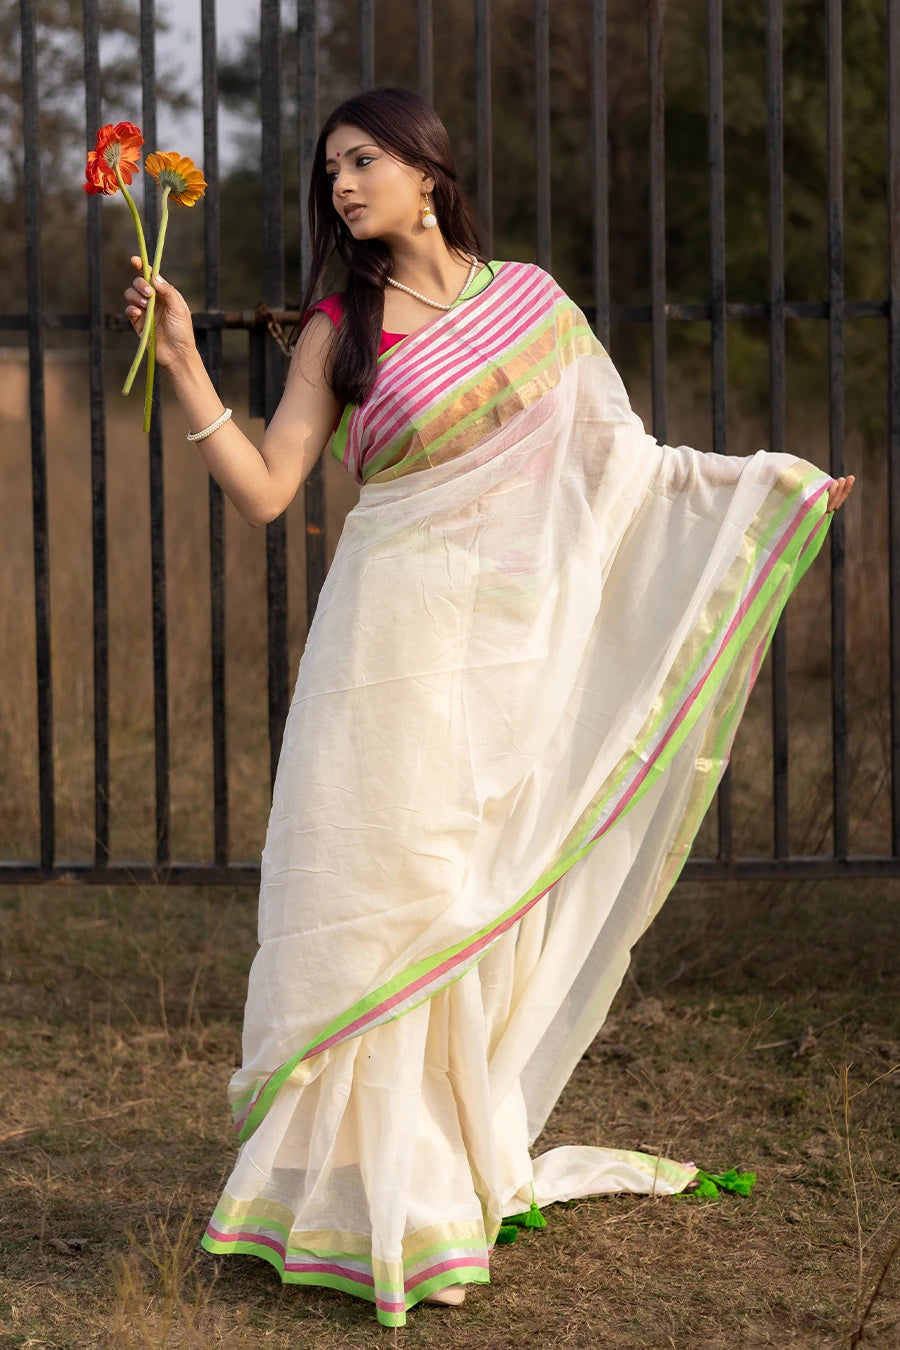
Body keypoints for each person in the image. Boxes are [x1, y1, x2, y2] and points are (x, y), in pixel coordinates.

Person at [123, 86, 854, 1328]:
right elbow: (264, 489)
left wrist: (756, 491)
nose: (345, 185)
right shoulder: (337, 330)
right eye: (331, 169)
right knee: (381, 894)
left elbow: (626, 467)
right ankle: (365, 1198)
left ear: (427, 169)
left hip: (504, 649)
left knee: (464, 890)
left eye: (366, 160)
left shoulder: (530, 302)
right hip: (388, 645)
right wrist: (189, 366)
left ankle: (430, 1176)